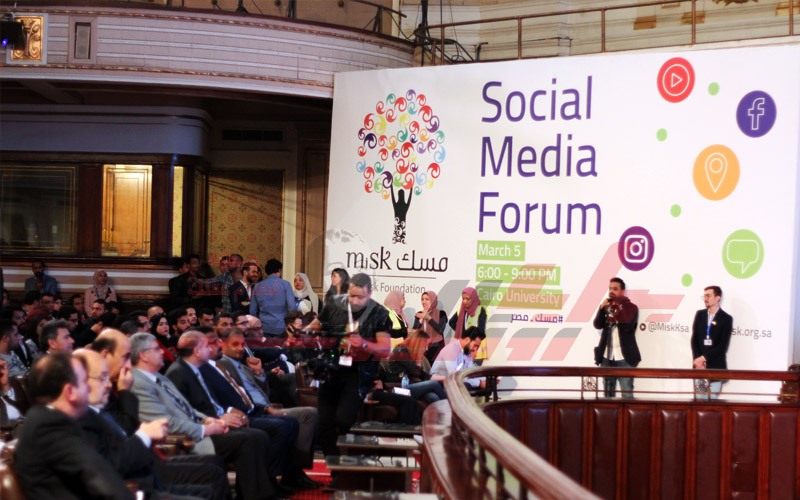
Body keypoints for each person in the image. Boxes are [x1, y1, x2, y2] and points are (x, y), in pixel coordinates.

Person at [129, 332, 287, 500]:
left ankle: (256, 495)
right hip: (187, 437)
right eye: (156, 349)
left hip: (199, 426)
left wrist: (208, 419)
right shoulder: (140, 383)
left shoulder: (160, 377)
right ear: (143, 355)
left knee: (256, 436)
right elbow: (165, 422)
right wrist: (205, 428)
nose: (162, 352)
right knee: (250, 439)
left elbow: (187, 408)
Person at [14, 352, 136, 499]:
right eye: (84, 381)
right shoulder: (48, 426)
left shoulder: (47, 417)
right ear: (70, 391)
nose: (89, 388)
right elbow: (97, 475)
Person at [305, 273, 391, 460]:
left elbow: (385, 349)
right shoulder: (335, 304)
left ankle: (355, 460)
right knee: (324, 423)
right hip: (330, 369)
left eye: (360, 297)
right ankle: (336, 468)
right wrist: (301, 334)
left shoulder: (379, 313)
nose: (355, 301)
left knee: (344, 420)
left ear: (370, 293)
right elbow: (315, 326)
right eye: (352, 295)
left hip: (358, 374)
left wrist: (364, 344)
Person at [593, 277, 640, 398]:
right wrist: (601, 308)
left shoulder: (632, 308)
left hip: (625, 358)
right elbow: (597, 324)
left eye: (615, 289)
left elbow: (629, 327)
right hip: (607, 357)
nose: (611, 291)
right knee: (608, 396)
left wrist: (618, 311)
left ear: (622, 291)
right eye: (610, 289)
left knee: (627, 394)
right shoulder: (606, 307)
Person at [691, 286, 734, 400]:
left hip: (716, 366)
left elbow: (722, 346)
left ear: (717, 298)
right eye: (704, 296)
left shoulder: (726, 319)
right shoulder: (700, 315)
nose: (705, 299)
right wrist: (698, 361)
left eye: (708, 296)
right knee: (700, 398)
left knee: (712, 400)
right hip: (699, 368)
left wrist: (703, 358)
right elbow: (694, 340)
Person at [385, 330, 446, 403]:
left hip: (410, 385)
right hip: (398, 388)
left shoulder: (411, 353)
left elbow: (420, 374)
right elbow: (417, 372)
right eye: (425, 345)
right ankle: (452, 406)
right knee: (434, 384)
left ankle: (443, 408)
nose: (426, 349)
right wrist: (445, 378)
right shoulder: (401, 350)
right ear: (418, 344)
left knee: (433, 396)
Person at [430, 326, 487, 391]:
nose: (475, 349)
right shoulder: (451, 350)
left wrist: (485, 379)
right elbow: (455, 377)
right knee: (467, 386)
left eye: (477, 347)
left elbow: (470, 373)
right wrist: (479, 383)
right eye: (475, 345)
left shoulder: (467, 351)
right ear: (467, 340)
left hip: (451, 383)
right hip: (438, 385)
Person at [250, 258, 297, 337]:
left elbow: (253, 310)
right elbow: (292, 307)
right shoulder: (285, 284)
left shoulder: (257, 286)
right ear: (279, 270)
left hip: (264, 327)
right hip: (281, 327)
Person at [413, 291, 448, 365]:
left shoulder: (441, 313)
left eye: (427, 299)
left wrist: (428, 318)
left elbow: (440, 330)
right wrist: (421, 320)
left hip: (436, 349)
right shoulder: (419, 314)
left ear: (433, 301)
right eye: (422, 299)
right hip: (422, 349)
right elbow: (414, 332)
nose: (424, 302)